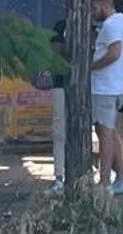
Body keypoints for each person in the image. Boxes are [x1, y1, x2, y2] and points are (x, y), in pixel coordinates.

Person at [88, 0, 123, 194]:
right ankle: (122, 177)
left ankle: (105, 181)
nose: (93, 12)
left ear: (105, 5)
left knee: (105, 132)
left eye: (95, 7)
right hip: (118, 85)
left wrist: (91, 66)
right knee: (111, 130)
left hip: (105, 86)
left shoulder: (111, 24)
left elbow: (115, 52)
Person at [49, 20, 69, 192]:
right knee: (59, 133)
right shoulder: (60, 28)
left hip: (76, 87)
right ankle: (59, 176)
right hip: (61, 87)